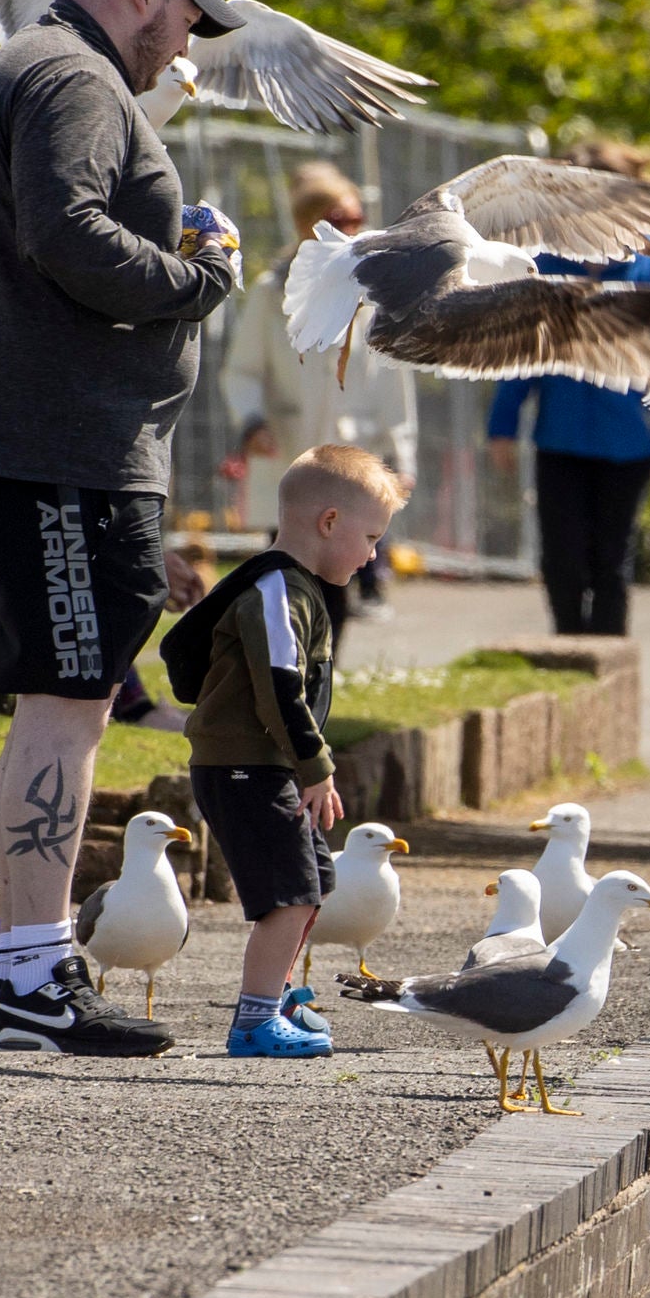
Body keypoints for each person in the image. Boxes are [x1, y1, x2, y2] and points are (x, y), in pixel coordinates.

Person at [0, 0, 244, 1056]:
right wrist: (197, 276)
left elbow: (68, 226)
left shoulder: (50, 67)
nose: (185, 48)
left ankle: (32, 975)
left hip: (54, 446)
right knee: (69, 708)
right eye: (185, 23)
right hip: (57, 449)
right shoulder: (70, 76)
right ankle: (27, 985)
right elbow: (64, 232)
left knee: (67, 705)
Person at [162, 445, 405, 1059]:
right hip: (246, 767)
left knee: (314, 881)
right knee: (289, 895)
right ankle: (254, 1022)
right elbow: (279, 684)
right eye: (371, 537)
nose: (374, 554)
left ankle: (283, 997)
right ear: (328, 523)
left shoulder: (291, 587)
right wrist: (316, 766)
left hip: (263, 765)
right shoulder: (277, 590)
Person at [486, 139, 650, 636]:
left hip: (630, 437)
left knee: (611, 559)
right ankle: (567, 647)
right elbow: (522, 350)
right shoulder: (543, 258)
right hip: (560, 433)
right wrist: (504, 422)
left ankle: (605, 658)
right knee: (561, 555)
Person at [222, 161, 418, 616]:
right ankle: (287, 672)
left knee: (337, 584)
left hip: (354, 454)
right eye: (339, 222)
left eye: (356, 220)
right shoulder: (274, 292)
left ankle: (324, 672)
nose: (353, 230)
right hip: (289, 450)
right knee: (285, 577)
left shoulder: (375, 292)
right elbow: (241, 371)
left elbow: (394, 377)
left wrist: (400, 456)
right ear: (309, 227)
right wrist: (251, 423)